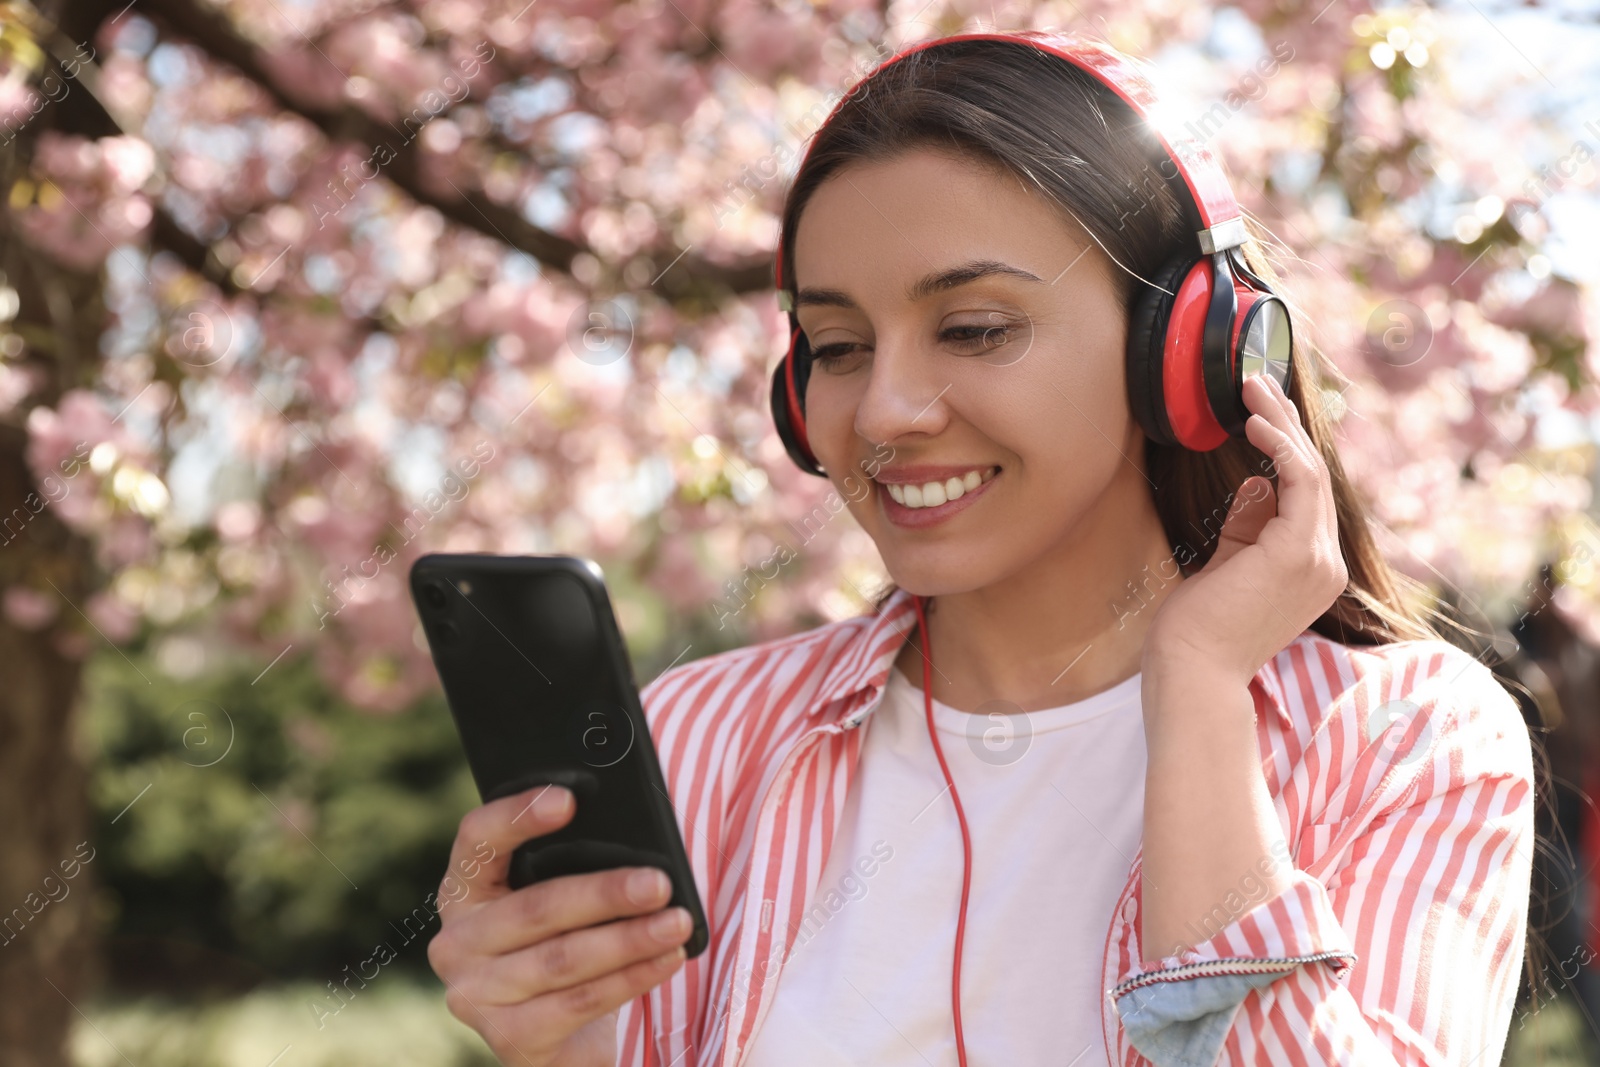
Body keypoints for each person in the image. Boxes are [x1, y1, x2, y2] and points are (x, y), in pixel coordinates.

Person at [424, 30, 1537, 1067]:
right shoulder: (696, 739)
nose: (884, 411)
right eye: (837, 345)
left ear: (1186, 351)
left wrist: (1197, 689)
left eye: (974, 328)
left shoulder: (1410, 739)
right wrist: (560, 1040)